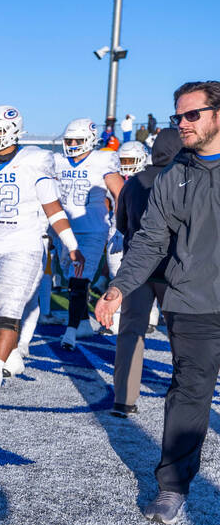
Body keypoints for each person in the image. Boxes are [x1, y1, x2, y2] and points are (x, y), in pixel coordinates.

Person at [97, 81, 220, 525]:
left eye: (192, 115)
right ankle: (172, 486)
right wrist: (118, 287)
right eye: (178, 117)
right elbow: (149, 241)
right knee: (189, 391)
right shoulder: (174, 176)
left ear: (218, 115)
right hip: (191, 303)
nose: (182, 124)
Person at [0, 106, 83, 392]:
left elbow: (53, 209)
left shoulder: (34, 160)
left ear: (11, 131)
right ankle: (17, 352)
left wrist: (71, 245)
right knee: (3, 304)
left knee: (8, 305)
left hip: (23, 244)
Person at [110, 131, 180, 418]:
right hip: (173, 271)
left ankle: (124, 399)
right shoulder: (184, 178)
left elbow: (122, 223)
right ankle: (185, 394)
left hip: (136, 269)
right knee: (184, 335)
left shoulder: (134, 183)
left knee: (130, 333)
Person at [52, 119, 124, 350]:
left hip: (92, 229)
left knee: (78, 280)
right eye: (69, 140)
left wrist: (119, 226)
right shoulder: (58, 161)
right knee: (69, 277)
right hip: (64, 229)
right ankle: (82, 323)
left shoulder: (102, 161)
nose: (72, 144)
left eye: (78, 140)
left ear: (91, 141)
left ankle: (70, 331)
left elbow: (120, 194)